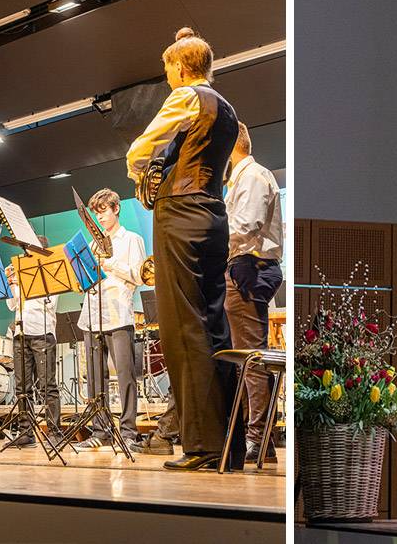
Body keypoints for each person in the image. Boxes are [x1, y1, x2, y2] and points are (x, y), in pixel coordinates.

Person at [126, 27, 243, 470]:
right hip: (211, 215)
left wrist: (141, 168)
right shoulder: (227, 108)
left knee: (183, 329)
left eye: (167, 69)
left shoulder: (187, 96)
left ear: (178, 67)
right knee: (213, 325)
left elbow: (140, 149)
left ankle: (202, 446)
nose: (167, 77)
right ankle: (227, 443)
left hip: (180, 212)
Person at [224, 121, 284, 464]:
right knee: (243, 360)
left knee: (251, 359)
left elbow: (244, 227)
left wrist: (209, 240)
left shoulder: (252, 176)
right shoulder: (242, 177)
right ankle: (261, 439)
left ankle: (258, 438)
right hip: (243, 266)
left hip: (250, 267)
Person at [74, 188, 146, 451]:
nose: (100, 216)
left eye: (103, 210)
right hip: (93, 315)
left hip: (119, 314)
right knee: (95, 379)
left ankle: (128, 432)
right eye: (96, 212)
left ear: (116, 209)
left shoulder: (132, 239)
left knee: (126, 377)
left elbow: (140, 277)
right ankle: (100, 431)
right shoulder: (94, 243)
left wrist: (110, 264)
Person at [5, 236, 61, 448]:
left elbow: (50, 302)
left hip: (42, 332)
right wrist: (11, 284)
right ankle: (25, 432)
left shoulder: (50, 271)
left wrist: (25, 281)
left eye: (32, 250)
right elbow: (12, 305)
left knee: (48, 385)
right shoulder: (20, 270)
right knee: (22, 387)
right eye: (27, 249)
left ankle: (55, 432)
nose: (28, 253)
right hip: (21, 332)